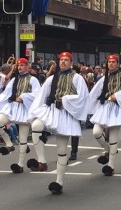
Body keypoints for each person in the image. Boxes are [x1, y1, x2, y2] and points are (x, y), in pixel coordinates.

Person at [27, 51, 89, 194]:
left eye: (66, 60)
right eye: (61, 60)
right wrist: (32, 114)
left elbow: (82, 97)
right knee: (36, 126)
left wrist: (66, 100)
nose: (63, 62)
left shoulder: (77, 78)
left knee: (61, 150)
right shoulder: (51, 79)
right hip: (52, 110)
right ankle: (42, 162)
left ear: (71, 63)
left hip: (66, 114)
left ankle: (59, 182)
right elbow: (41, 96)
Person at [0, 58, 41, 173]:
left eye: (22, 65)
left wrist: (24, 97)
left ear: (28, 67)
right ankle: (9, 144)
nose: (20, 67)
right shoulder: (14, 79)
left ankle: (20, 164)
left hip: (25, 109)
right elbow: (6, 93)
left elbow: (38, 95)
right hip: (13, 108)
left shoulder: (33, 80)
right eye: (19, 65)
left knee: (23, 139)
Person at [88, 54, 121, 176]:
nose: (111, 64)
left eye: (113, 62)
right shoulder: (104, 78)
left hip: (116, 109)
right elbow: (94, 93)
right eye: (109, 62)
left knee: (113, 138)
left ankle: (111, 166)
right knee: (96, 132)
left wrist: (117, 96)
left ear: (118, 63)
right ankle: (109, 151)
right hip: (105, 108)